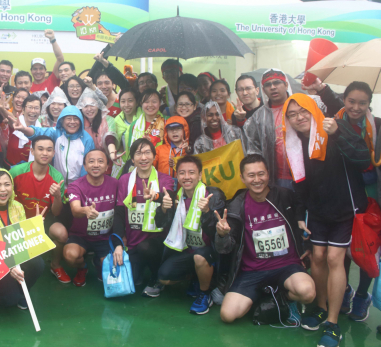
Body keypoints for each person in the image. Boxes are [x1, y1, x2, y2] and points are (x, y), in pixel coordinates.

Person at [283, 94, 370, 346]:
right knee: (318, 258)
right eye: (292, 114)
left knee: (334, 258)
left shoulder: (335, 127)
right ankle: (320, 308)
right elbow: (300, 183)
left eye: (303, 111)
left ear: (314, 111)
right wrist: (300, 215)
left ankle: (332, 323)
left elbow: (363, 159)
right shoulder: (294, 143)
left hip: (345, 209)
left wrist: (337, 135)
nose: (299, 117)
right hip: (318, 211)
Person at [217, 154, 315, 324]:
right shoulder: (236, 206)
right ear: (242, 178)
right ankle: (265, 297)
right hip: (252, 271)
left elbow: (305, 221)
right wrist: (222, 235)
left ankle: (283, 298)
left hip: (287, 265)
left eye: (261, 174)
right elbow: (224, 248)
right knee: (228, 315)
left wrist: (308, 246)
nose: (257, 180)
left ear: (268, 174)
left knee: (307, 293)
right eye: (251, 175)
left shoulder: (285, 196)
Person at [316, 80, 381, 320]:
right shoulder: (336, 120)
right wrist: (320, 87)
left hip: (372, 195)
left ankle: (362, 296)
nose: (356, 107)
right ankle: (342, 290)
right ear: (344, 101)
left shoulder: (378, 127)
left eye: (362, 103)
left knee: (366, 248)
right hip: (345, 195)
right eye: (351, 101)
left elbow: (365, 160)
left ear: (369, 105)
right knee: (343, 251)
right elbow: (331, 101)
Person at [155, 155, 226, 314]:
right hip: (188, 251)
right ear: (177, 176)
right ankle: (196, 277)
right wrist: (164, 209)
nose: (186, 177)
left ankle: (205, 293)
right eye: (182, 173)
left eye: (191, 172)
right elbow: (160, 224)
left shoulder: (213, 196)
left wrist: (207, 212)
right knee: (163, 277)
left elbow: (219, 234)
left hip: (210, 253)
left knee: (200, 257)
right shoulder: (176, 197)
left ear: (200, 175)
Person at [0, 169, 46, 308]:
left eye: (7, 184)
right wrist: (9, 266)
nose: (3, 189)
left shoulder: (18, 207)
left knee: (38, 263)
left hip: (14, 255)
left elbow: (23, 240)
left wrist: (36, 229)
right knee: (8, 302)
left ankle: (22, 291)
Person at [112, 138, 174, 297]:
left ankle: (156, 277)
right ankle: (140, 269)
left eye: (147, 153)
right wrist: (118, 243)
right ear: (132, 159)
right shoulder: (125, 180)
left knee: (145, 248)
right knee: (129, 282)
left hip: (157, 242)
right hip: (133, 242)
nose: (143, 158)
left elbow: (169, 199)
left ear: (154, 156)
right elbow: (119, 213)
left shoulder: (164, 179)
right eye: (138, 153)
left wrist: (157, 196)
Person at [9, 136, 67, 284]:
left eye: (49, 150)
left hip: (43, 220)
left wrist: (57, 196)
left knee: (61, 234)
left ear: (54, 153)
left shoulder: (57, 177)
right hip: (18, 221)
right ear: (32, 151)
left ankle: (55, 265)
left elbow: (56, 212)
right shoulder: (16, 172)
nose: (44, 153)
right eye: (40, 149)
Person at [65, 149, 118, 287]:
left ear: (107, 166)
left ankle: (99, 262)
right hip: (80, 236)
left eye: (100, 161)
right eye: (91, 161)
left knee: (112, 265)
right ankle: (83, 267)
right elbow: (75, 210)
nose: (96, 165)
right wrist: (85, 210)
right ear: (84, 166)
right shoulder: (75, 186)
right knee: (70, 256)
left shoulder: (115, 184)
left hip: (105, 237)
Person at [244, 69, 299, 189]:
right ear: (263, 90)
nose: (273, 87)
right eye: (268, 85)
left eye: (277, 83)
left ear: (286, 85)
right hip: (277, 178)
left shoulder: (301, 107)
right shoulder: (258, 117)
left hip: (304, 174)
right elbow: (253, 149)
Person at [19, 106, 95, 185]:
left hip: (78, 185)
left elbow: (88, 164)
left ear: (81, 121)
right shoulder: (56, 132)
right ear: (62, 121)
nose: (72, 122)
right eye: (68, 118)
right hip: (56, 182)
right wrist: (23, 129)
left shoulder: (87, 139)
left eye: (76, 119)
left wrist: (79, 186)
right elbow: (38, 132)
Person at [4, 95, 41, 167]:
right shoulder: (15, 123)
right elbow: (10, 118)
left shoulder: (42, 129)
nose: (33, 111)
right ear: (23, 110)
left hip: (33, 171)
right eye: (30, 107)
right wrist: (2, 109)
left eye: (36, 108)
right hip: (12, 169)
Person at [126, 89, 165, 153]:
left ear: (160, 103)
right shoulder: (134, 125)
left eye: (154, 101)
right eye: (146, 102)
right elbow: (131, 150)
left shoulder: (166, 122)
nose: (150, 105)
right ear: (141, 104)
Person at [29, 29, 64, 94]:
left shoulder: (51, 81)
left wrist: (53, 40)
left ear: (46, 71)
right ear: (31, 71)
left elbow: (60, 59)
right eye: (35, 69)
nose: (38, 71)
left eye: (41, 68)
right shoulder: (27, 86)